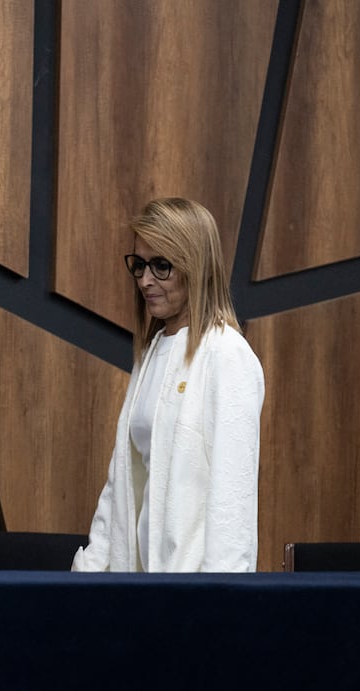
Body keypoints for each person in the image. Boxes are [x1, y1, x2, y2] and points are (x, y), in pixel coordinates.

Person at [72, 197, 264, 573]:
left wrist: (221, 601)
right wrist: (91, 573)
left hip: (195, 598)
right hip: (140, 587)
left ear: (196, 267)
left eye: (162, 266)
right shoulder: (152, 351)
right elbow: (122, 482)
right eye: (140, 264)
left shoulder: (226, 354)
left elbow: (233, 500)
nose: (145, 280)